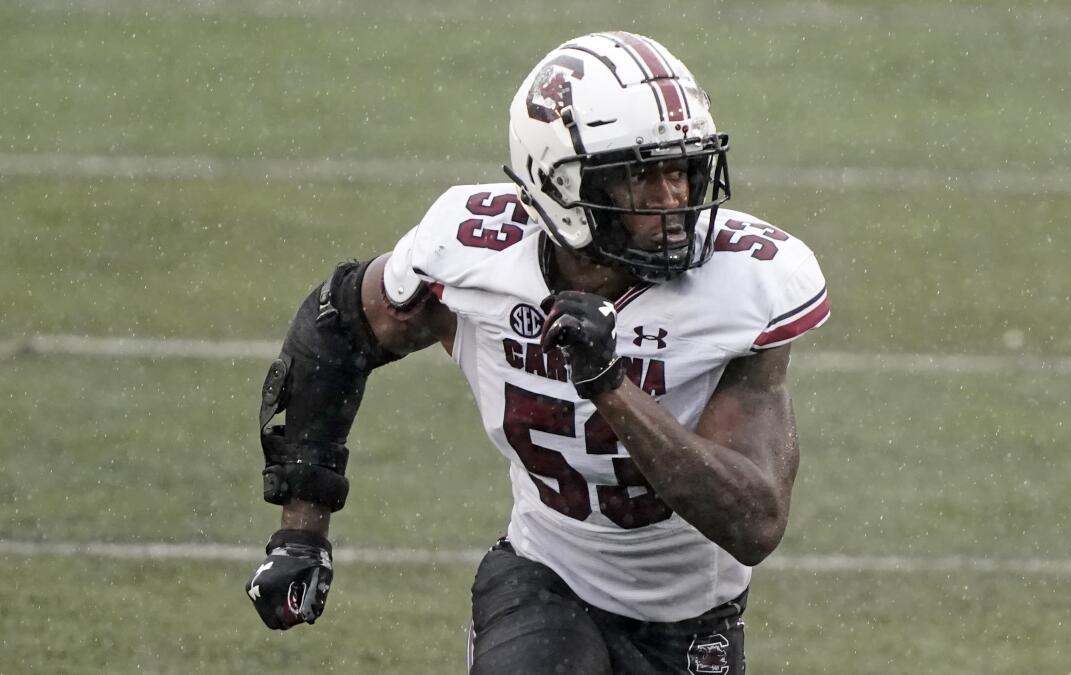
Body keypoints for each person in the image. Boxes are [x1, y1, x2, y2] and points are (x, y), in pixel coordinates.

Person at [244, 31, 830, 674]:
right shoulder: (473, 254)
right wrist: (301, 529)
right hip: (544, 581)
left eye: (681, 169)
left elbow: (754, 522)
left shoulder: (745, 286)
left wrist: (611, 387)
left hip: (692, 622)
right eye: (640, 175)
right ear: (562, 186)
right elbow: (336, 328)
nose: (673, 201)